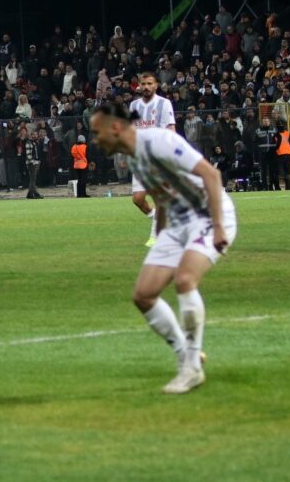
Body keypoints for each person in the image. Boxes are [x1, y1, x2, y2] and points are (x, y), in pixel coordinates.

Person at [90, 101, 236, 395]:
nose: (95, 139)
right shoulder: (134, 159)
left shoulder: (160, 141)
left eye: (97, 132)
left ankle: (192, 369)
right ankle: (185, 353)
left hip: (208, 216)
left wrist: (219, 226)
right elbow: (162, 198)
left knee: (185, 280)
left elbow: (211, 175)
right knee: (144, 295)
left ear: (115, 127)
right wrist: (159, 238)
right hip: (176, 224)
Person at [129, 71, 176, 246]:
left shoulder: (164, 103)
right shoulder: (134, 105)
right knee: (138, 199)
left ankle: (155, 237)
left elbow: (170, 128)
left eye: (150, 84)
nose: (146, 87)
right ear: (139, 86)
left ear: (156, 85)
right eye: (143, 84)